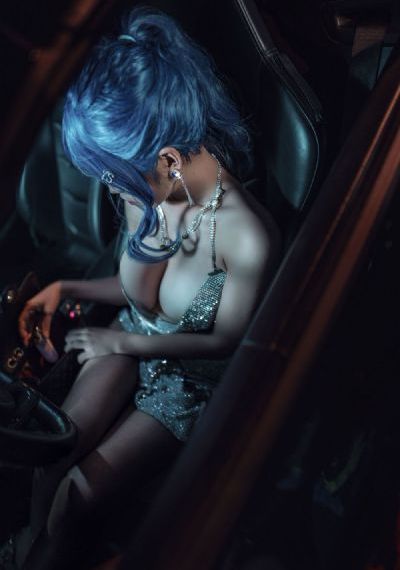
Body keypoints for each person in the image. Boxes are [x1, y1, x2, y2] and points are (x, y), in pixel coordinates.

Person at [14, 6, 280, 569]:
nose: (112, 190)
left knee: (77, 498)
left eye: (114, 179)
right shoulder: (153, 189)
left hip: (193, 379)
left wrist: (122, 342)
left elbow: (225, 343)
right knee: (52, 453)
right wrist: (68, 286)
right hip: (135, 334)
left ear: (166, 159)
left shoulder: (246, 237)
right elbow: (143, 300)